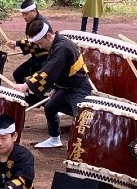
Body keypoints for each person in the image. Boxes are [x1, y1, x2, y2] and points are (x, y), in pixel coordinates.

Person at [13, 20, 92, 148]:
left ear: (49, 35)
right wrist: (56, 87)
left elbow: (50, 70)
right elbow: (60, 70)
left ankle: (85, 148)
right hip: (66, 88)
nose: (40, 47)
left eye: (41, 43)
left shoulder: (62, 46)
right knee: (50, 108)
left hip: (78, 88)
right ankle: (55, 139)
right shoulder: (56, 44)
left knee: (81, 118)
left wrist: (25, 85)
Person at [4, 0, 50, 104]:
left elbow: (35, 41)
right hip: (36, 58)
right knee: (18, 74)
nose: (24, 17)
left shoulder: (41, 24)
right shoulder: (31, 22)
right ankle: (27, 94)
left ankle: (39, 101)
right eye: (23, 15)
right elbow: (30, 41)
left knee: (36, 83)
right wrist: (18, 44)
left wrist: (17, 43)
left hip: (45, 59)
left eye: (26, 14)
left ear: (34, 11)